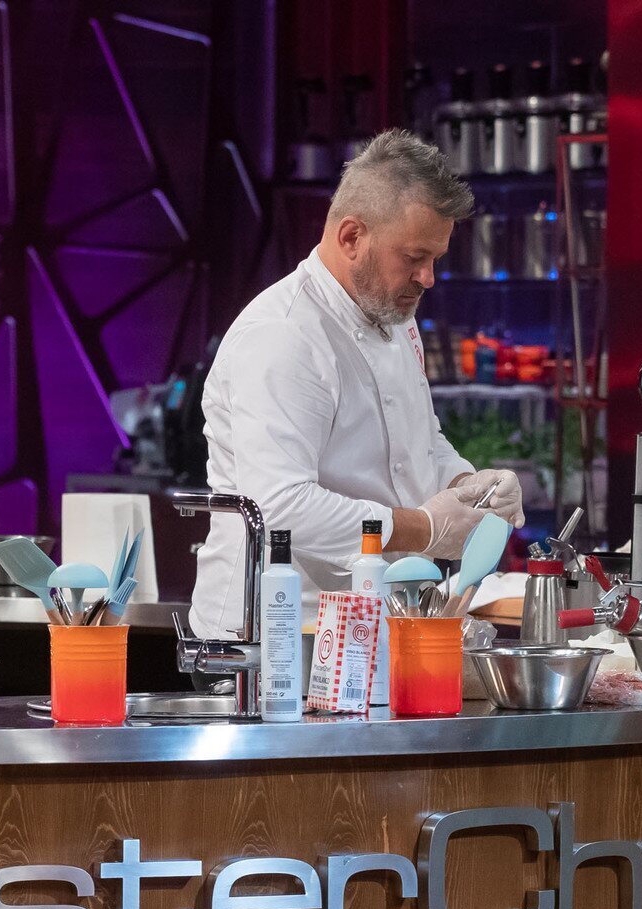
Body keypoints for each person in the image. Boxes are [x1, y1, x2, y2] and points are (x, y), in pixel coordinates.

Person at [188, 130, 524, 638]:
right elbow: (279, 507)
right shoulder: (284, 335)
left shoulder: (393, 314)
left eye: (436, 259)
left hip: (366, 626)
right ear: (351, 237)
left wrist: (467, 487)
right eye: (414, 258)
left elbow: (419, 440)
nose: (428, 278)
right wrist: (426, 529)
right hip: (272, 634)